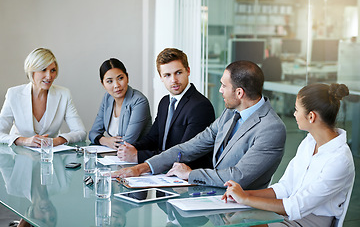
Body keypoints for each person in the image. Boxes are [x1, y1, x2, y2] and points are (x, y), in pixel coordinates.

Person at [113, 60, 286, 189]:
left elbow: (238, 176)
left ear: (239, 93)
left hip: (244, 208)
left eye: (223, 86)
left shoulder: (271, 128)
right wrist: (142, 167)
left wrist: (189, 174)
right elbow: (190, 147)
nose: (220, 90)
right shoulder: (230, 113)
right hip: (215, 197)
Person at [222, 83, 355, 227]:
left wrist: (245, 199)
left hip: (311, 220)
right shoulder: (309, 142)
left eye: (296, 110)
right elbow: (285, 188)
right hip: (287, 212)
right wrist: (244, 194)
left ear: (311, 116)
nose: (294, 114)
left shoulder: (340, 160)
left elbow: (297, 206)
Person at [116, 48, 215, 169]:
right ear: (161, 77)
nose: (174, 80)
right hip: (164, 173)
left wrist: (138, 155)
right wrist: (132, 147)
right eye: (167, 75)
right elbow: (153, 138)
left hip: (186, 177)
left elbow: (183, 154)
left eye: (178, 72)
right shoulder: (165, 102)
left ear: (188, 71)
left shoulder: (200, 106)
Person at [0, 48, 86, 147]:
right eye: (43, 70)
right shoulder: (14, 94)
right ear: (32, 71)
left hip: (50, 157)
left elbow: (81, 132)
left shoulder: (64, 94)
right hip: (20, 155)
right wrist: (24, 141)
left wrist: (56, 141)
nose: (49, 76)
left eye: (53, 70)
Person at [89, 58, 151, 148]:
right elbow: (93, 133)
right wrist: (105, 140)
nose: (117, 85)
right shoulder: (107, 98)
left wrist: (105, 141)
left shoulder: (139, 101)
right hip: (114, 156)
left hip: (137, 157)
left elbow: (127, 142)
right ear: (103, 84)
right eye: (109, 81)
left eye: (120, 78)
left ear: (127, 77)